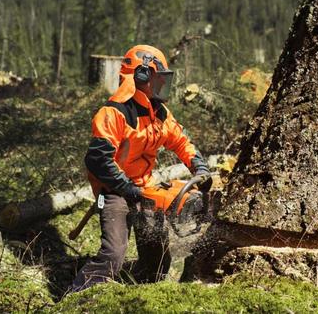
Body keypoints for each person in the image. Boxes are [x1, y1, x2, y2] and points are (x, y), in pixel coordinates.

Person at [67, 45, 211, 294]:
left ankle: (131, 291)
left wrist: (198, 165)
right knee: (113, 255)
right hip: (112, 191)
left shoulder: (160, 113)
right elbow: (97, 159)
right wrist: (125, 188)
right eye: (158, 78)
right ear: (141, 76)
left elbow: (180, 141)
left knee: (157, 263)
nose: (161, 84)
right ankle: (74, 298)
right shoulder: (114, 113)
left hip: (144, 188)